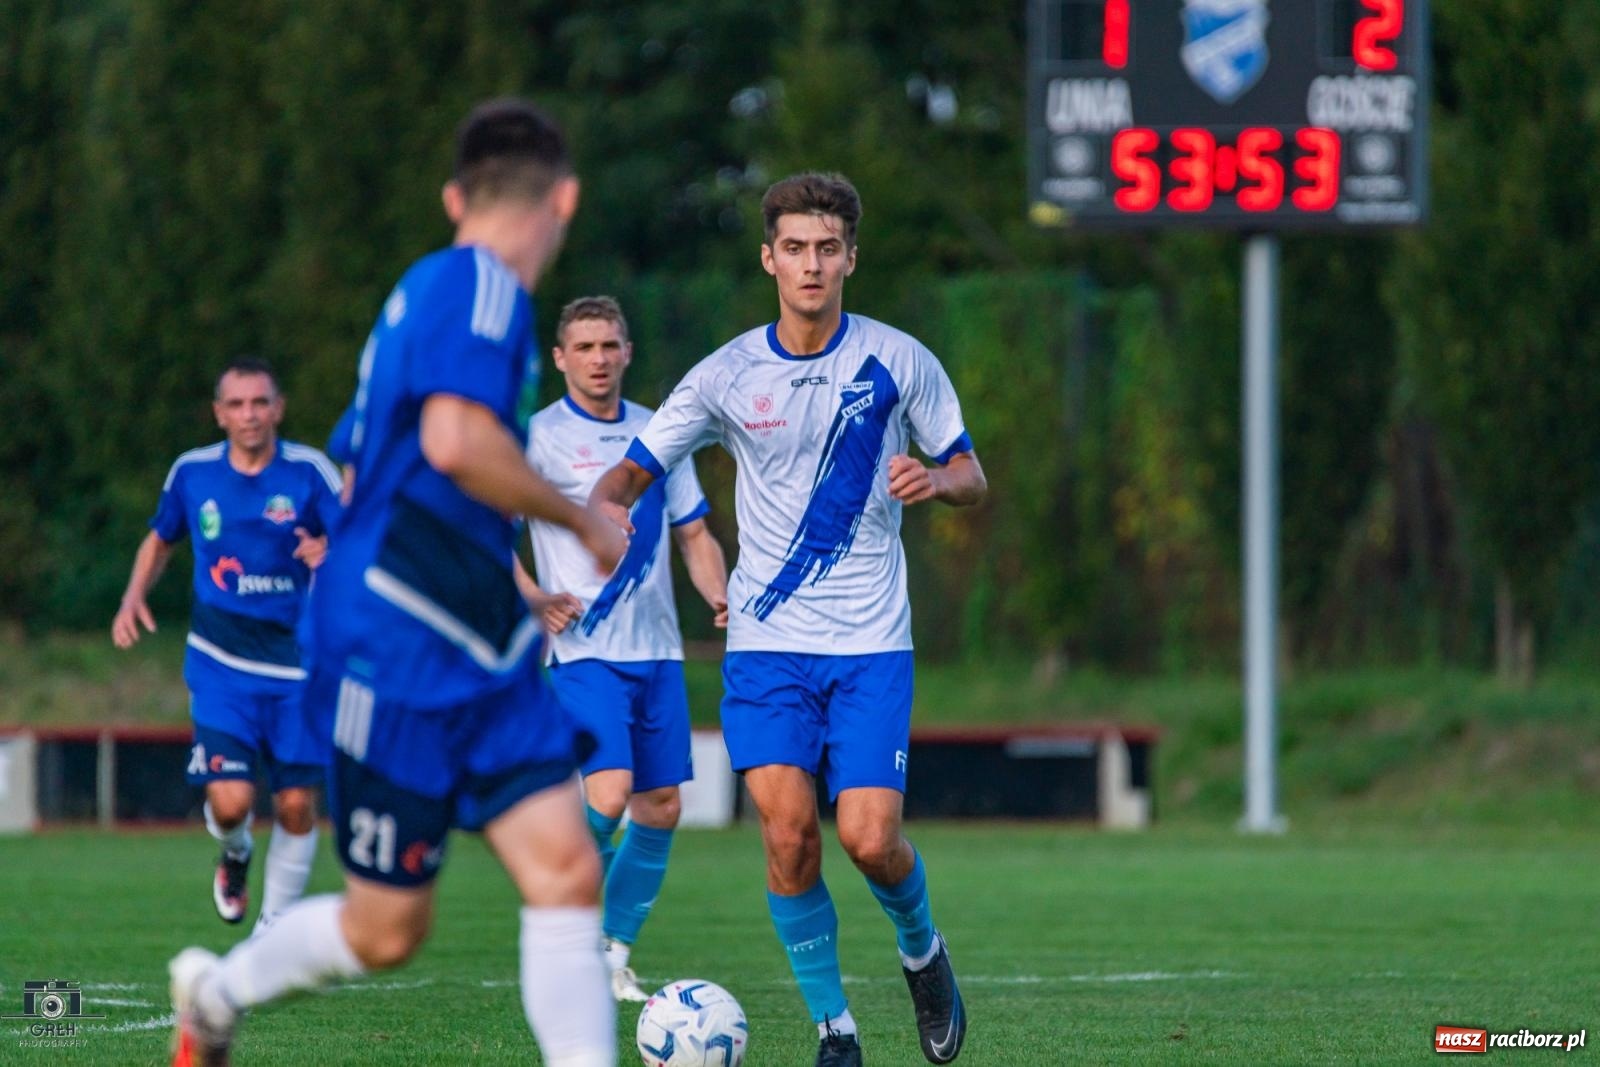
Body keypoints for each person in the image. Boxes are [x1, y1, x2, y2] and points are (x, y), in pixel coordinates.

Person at [166, 98, 627, 1067]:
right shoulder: (485, 288)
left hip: (478, 640)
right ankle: (217, 992)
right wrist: (581, 515)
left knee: (567, 870)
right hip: (398, 645)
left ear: (455, 194)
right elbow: (459, 442)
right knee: (387, 929)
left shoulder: (424, 289)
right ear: (567, 198)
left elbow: (368, 456)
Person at [589, 172, 986, 1066]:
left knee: (870, 837)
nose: (812, 264)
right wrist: (606, 509)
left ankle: (922, 949)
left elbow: (970, 471)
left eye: (828, 248)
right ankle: (834, 1029)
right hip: (768, 646)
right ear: (769, 257)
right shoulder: (727, 373)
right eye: (796, 248)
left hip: (873, 641)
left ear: (851, 257)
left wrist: (937, 481)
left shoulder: (899, 360)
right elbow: (632, 470)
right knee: (789, 832)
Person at [517, 295, 729, 1002]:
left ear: (628, 351)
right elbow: (486, 533)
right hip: (583, 649)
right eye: (584, 348)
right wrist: (532, 595)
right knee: (608, 790)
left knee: (661, 803)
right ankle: (557, 923)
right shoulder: (538, 437)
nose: (599, 359)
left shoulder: (658, 432)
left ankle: (611, 953)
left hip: (658, 650)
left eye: (609, 345)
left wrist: (720, 595)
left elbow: (694, 533)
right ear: (560, 358)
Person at [112, 358, 339, 932]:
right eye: (236, 404)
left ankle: (274, 929)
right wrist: (133, 596)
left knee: (294, 804)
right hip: (221, 663)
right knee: (232, 802)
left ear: (278, 408)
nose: (249, 415)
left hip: (299, 667)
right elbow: (161, 540)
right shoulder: (192, 473)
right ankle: (235, 853)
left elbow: (358, 544)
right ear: (219, 414)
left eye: (260, 402)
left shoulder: (311, 472)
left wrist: (330, 556)